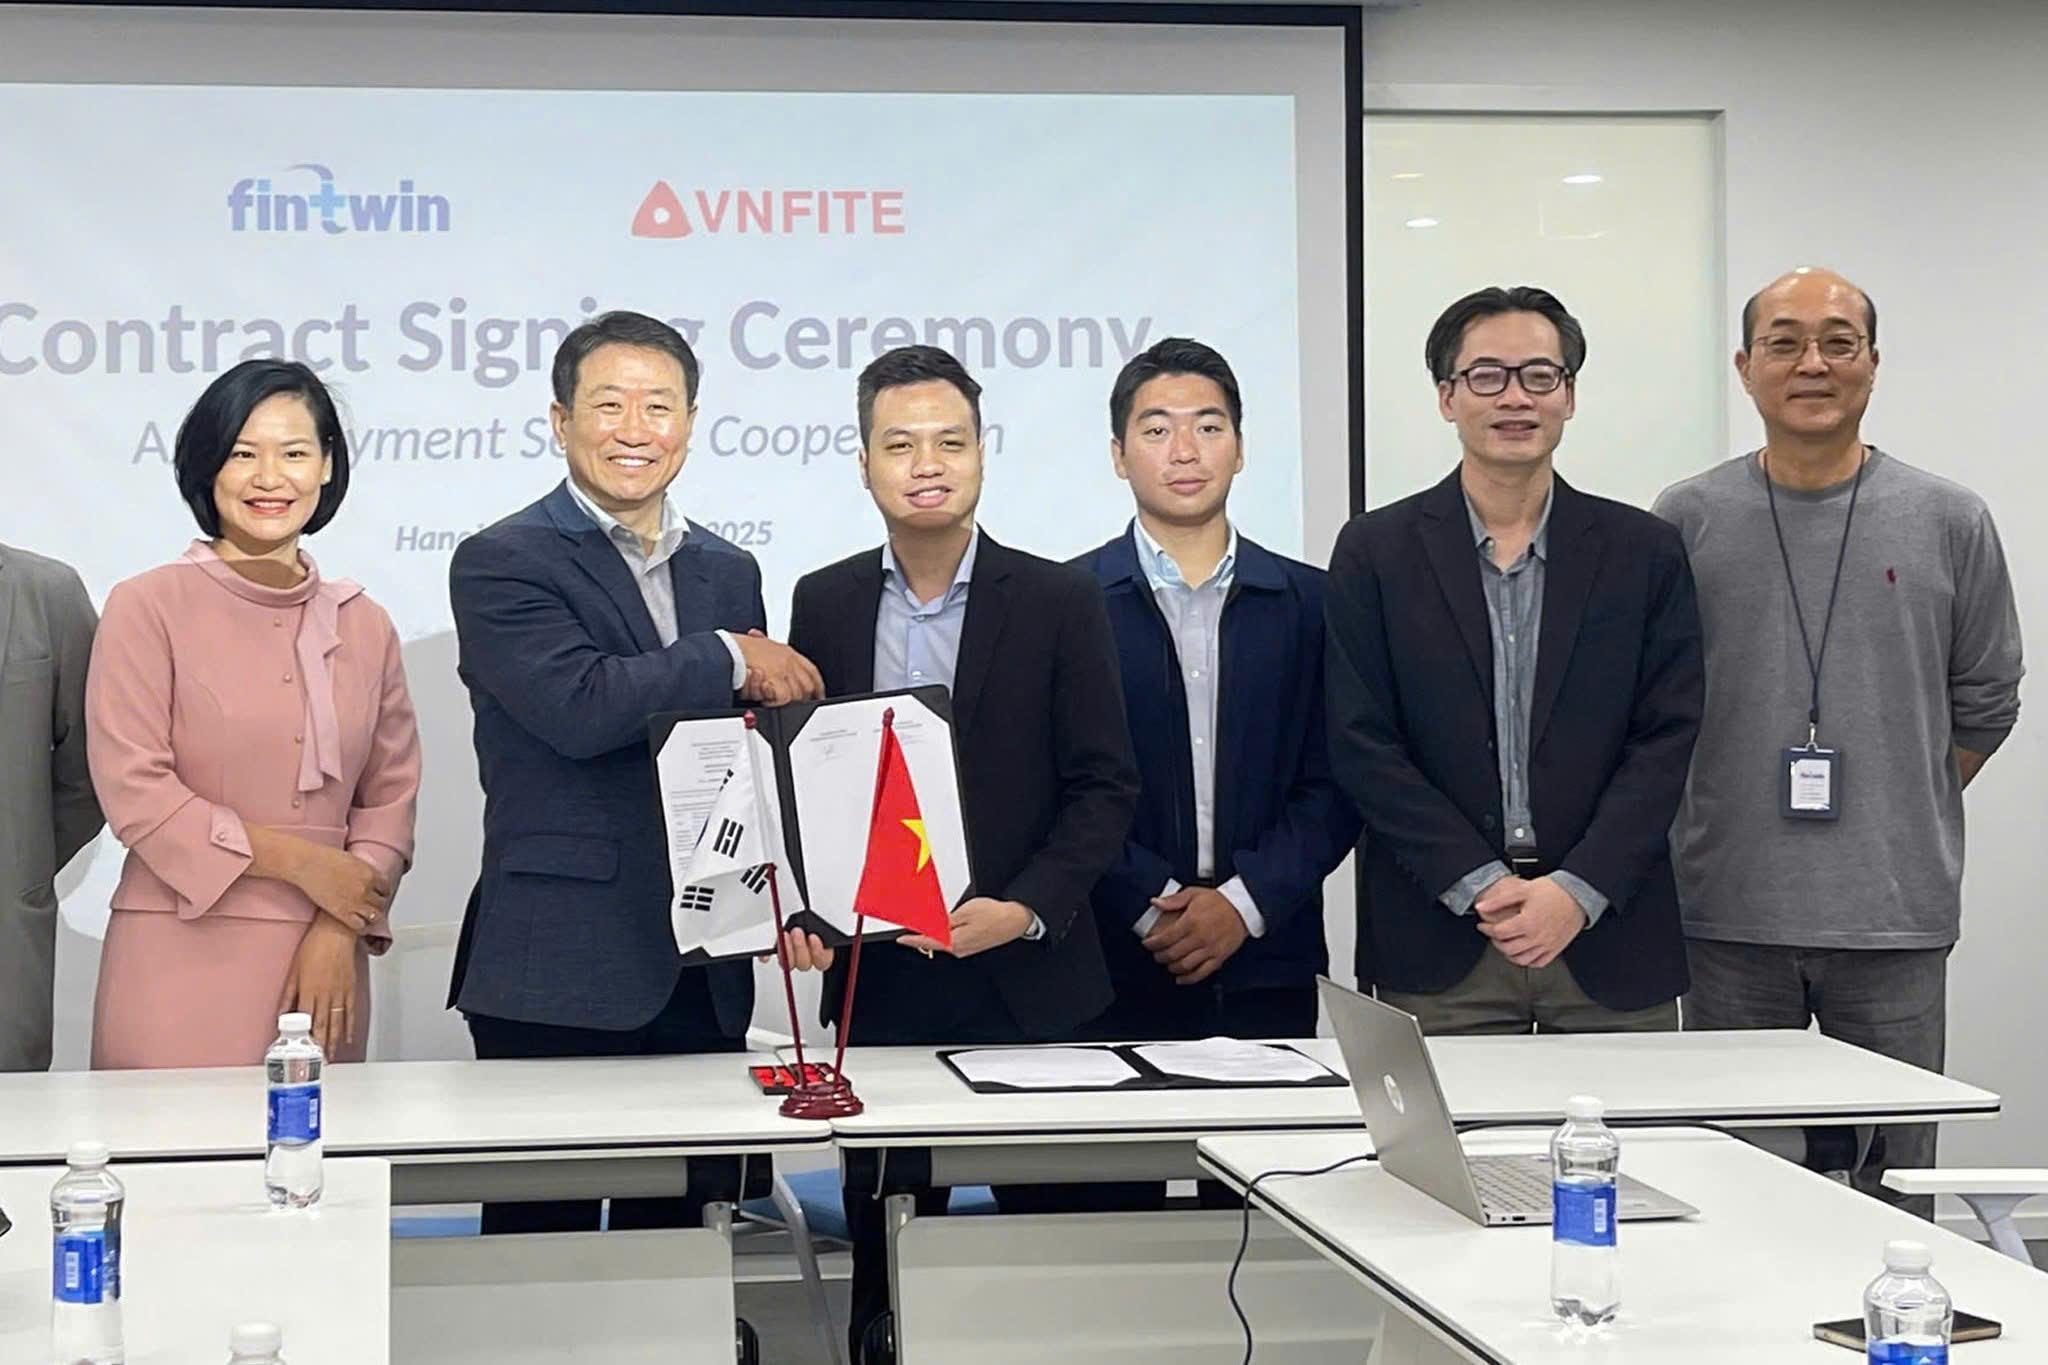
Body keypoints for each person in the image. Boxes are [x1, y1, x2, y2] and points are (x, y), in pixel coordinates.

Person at [783, 344, 1138, 1363]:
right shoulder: (824, 600)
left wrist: (1023, 909)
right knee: (887, 1271)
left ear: (982, 453)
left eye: (949, 441)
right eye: (900, 445)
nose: (927, 464)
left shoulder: (1058, 597)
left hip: (1035, 985)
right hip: (882, 987)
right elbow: (807, 782)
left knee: (1057, 1271)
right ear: (863, 463)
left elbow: (1104, 784)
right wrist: (806, 909)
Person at [1653, 268, 2023, 1211]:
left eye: (1837, 341)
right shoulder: (1687, 519)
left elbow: (1988, 697)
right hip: (1727, 915)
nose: (1811, 362)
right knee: (1737, 1188)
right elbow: (1650, 706)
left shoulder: (1949, 518)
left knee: (1892, 1186)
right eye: (1784, 342)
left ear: (1873, 362)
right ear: (1745, 367)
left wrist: (1903, 797)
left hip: (1892, 919)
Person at [446, 310, 822, 1234]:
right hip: (557, 966)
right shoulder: (501, 560)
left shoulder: (728, 569)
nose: (635, 428)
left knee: (688, 1254)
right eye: (608, 404)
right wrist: (729, 654)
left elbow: (742, 756)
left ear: (689, 422)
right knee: (543, 1258)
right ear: (560, 420)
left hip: (702, 966)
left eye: (659, 406)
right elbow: (580, 707)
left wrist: (794, 889)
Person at [1326, 285, 1702, 1036]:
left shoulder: (1645, 551)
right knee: (1448, 1123)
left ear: (1569, 395)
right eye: (1487, 376)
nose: (1515, 397)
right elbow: (1361, 741)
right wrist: (1480, 885)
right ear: (1447, 397)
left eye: (1539, 375)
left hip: (1609, 934)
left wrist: (1577, 890)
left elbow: (1667, 738)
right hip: (1439, 938)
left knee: (1638, 1121)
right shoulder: (1376, 551)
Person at [85, 359, 420, 1068]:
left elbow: (390, 799)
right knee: (170, 1141)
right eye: (243, 454)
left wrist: (338, 924)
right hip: (177, 945)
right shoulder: (145, 606)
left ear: (327, 466)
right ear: (207, 467)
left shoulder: (366, 623)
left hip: (324, 963)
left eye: (294, 453)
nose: (270, 478)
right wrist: (307, 865)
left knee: (315, 1140)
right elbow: (136, 791)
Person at [1076, 337, 1358, 1055]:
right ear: (1118, 456)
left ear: (1239, 448)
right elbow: (1057, 788)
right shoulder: (1065, 603)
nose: (1184, 451)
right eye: (1156, 429)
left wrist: (1242, 903)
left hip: (1269, 957)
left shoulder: (1312, 602)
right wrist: (1149, 904)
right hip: (1107, 960)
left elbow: (1340, 779)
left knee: (1271, 1134)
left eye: (1208, 426)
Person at [0, 542, 103, 1071]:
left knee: (12, 1110)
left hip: (7, 946)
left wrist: (24, 861)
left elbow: (90, 772)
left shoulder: (46, 591)